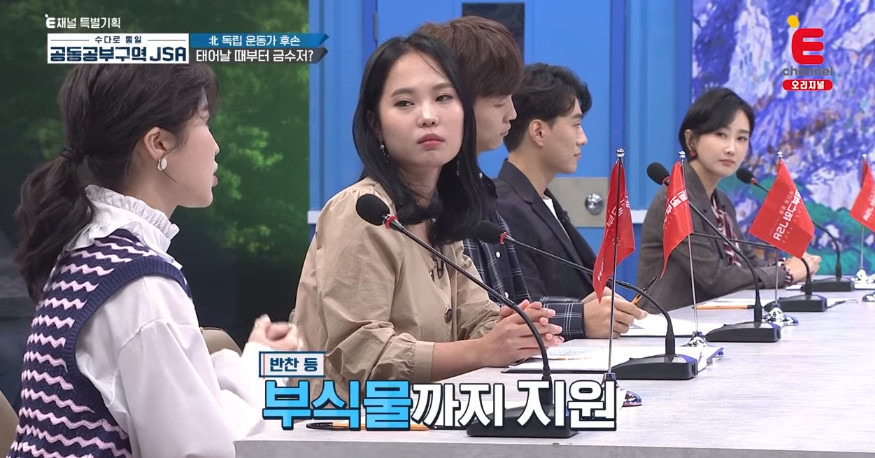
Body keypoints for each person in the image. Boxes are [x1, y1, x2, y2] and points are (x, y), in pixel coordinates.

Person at [9, 64, 303, 458]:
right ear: (159, 143)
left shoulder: (84, 252)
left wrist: (260, 363)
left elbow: (192, 417)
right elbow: (196, 451)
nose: (216, 145)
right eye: (204, 121)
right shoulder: (140, 285)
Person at [292, 33, 561, 403]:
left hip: (425, 416)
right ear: (375, 124)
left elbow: (474, 317)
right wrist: (483, 350)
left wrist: (511, 328)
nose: (429, 116)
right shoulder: (361, 212)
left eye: (443, 98)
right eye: (404, 103)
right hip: (346, 422)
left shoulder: (439, 214)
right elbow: (362, 357)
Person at [417, 17, 641, 338]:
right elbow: (483, 321)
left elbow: (503, 308)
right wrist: (578, 317)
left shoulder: (480, 191)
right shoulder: (415, 204)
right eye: (499, 101)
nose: (511, 113)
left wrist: (580, 311)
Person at [637, 87, 822, 311]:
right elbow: (715, 278)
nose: (731, 149)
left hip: (713, 318)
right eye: (720, 135)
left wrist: (791, 266)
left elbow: (746, 262)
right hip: (668, 324)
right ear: (691, 140)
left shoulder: (720, 200)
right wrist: (786, 272)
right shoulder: (676, 200)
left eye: (741, 138)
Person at [496, 63, 646, 333]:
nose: (583, 139)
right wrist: (581, 316)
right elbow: (519, 306)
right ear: (538, 132)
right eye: (576, 125)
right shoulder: (504, 206)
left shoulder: (544, 201)